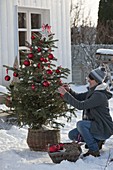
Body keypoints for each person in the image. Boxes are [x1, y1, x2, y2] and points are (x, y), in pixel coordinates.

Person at [58, 67, 113, 157]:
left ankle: (94, 150)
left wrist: (65, 94)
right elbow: (79, 97)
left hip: (103, 129)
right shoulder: (94, 91)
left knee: (81, 125)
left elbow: (81, 105)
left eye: (90, 79)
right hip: (97, 126)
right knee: (72, 134)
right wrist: (69, 91)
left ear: (96, 81)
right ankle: (97, 141)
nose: (88, 80)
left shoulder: (99, 95)